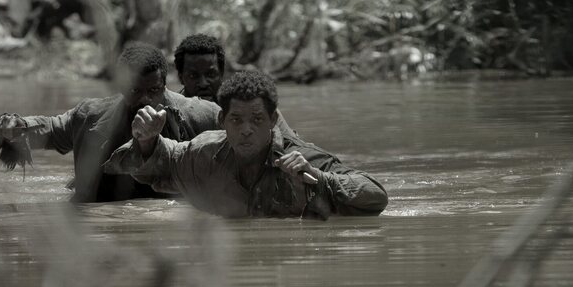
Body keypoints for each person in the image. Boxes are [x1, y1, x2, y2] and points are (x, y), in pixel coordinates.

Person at [103, 69, 387, 218]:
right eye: (236, 120)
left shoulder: (300, 158)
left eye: (257, 119)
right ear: (222, 119)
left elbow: (376, 195)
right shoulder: (204, 153)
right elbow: (159, 163)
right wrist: (146, 139)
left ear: (273, 119)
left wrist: (322, 181)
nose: (247, 130)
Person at [0, 45, 220, 202]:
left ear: (165, 85)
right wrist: (15, 126)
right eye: (134, 90)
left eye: (154, 90)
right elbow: (49, 127)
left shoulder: (203, 116)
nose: (145, 99)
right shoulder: (90, 115)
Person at [173, 33, 226, 102]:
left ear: (221, 74)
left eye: (210, 75)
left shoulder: (235, 107)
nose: (203, 84)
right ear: (181, 78)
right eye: (193, 76)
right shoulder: (170, 110)